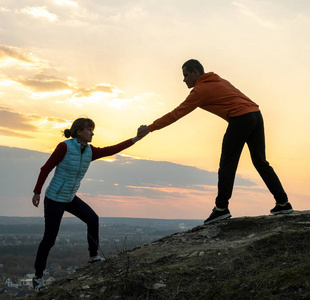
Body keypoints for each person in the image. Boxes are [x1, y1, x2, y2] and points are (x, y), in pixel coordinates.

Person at [138, 59, 293, 225]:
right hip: (256, 115)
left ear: (195, 72)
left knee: (227, 164)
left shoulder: (200, 90)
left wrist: (150, 128)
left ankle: (221, 209)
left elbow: (177, 113)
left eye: (185, 75)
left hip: (241, 118)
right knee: (260, 162)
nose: (184, 80)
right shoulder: (219, 80)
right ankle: (283, 203)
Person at [31, 117, 145, 291]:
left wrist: (136, 139)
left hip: (69, 197)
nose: (92, 133)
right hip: (54, 198)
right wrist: (37, 192)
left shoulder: (89, 151)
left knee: (93, 218)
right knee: (50, 238)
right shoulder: (64, 147)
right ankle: (37, 278)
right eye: (89, 129)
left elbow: (113, 149)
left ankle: (93, 257)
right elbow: (45, 168)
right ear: (79, 132)